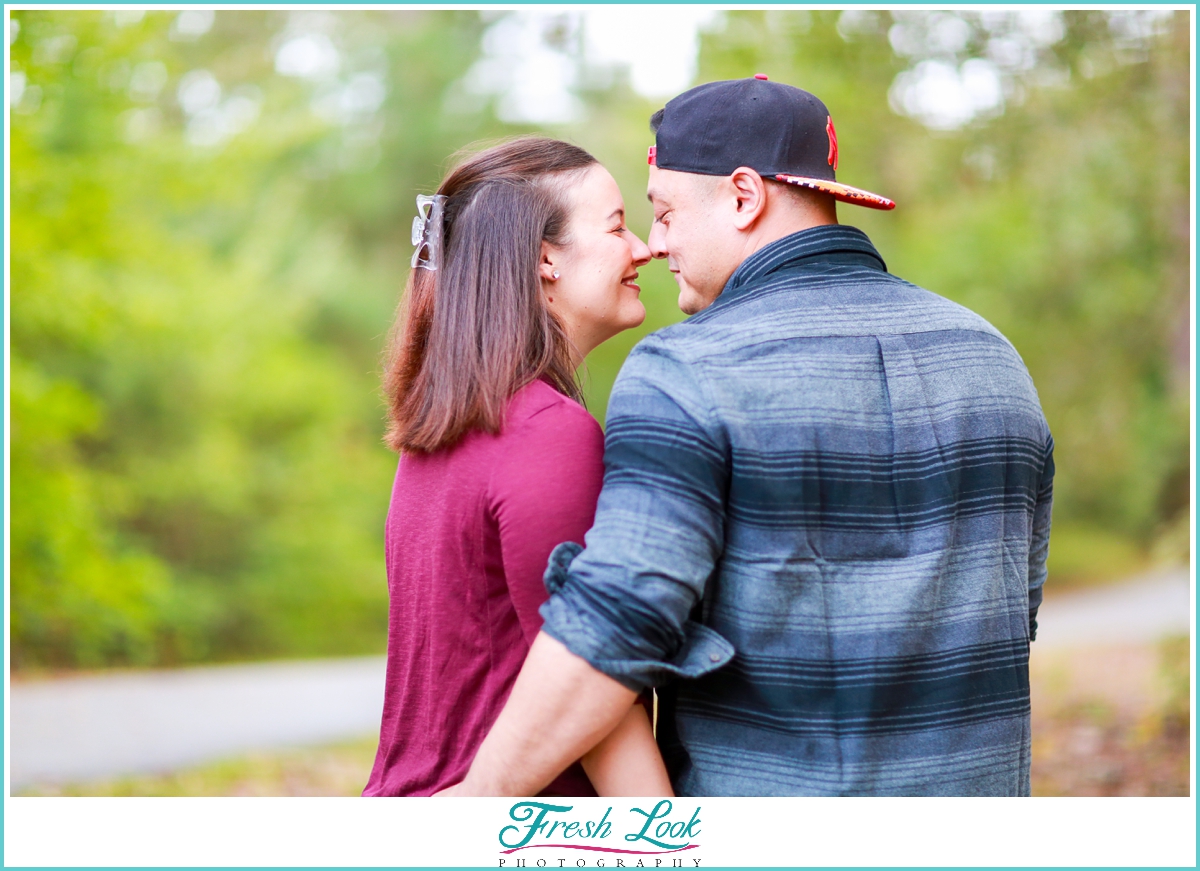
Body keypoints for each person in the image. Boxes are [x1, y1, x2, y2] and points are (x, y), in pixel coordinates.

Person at [440, 77, 1055, 797]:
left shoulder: (688, 371)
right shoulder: (992, 354)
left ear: (743, 196)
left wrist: (473, 808)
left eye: (664, 212)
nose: (654, 243)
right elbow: (1018, 608)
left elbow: (618, 624)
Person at [362, 136, 671, 797]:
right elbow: (587, 677)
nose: (644, 247)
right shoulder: (546, 434)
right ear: (545, 258)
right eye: (618, 226)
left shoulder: (445, 431)